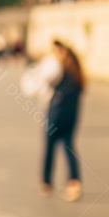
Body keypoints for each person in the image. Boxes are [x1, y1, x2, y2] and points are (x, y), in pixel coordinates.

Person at [40, 40, 85, 201]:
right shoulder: (77, 72)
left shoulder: (58, 69)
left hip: (56, 114)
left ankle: (46, 182)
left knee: (50, 147)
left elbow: (44, 83)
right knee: (68, 146)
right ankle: (74, 181)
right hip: (72, 115)